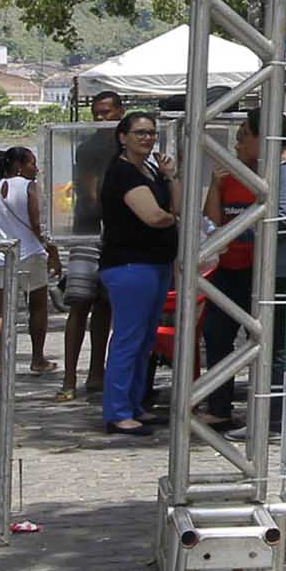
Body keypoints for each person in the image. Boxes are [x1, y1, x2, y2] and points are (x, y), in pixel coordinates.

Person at [96, 110, 179, 435]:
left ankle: (134, 404)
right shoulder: (122, 173)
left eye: (151, 132)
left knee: (145, 339)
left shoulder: (152, 171)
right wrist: (174, 219)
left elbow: (178, 205)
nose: (147, 137)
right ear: (123, 137)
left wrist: (170, 176)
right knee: (129, 339)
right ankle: (117, 412)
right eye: (140, 132)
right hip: (130, 265)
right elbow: (154, 216)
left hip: (155, 263)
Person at [199, 112, 268, 429]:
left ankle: (264, 409)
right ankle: (220, 406)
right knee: (216, 336)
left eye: (243, 139)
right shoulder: (228, 177)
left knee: (263, 341)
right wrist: (214, 186)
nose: (238, 147)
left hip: (260, 272)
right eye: (236, 140)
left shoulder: (273, 176)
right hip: (228, 269)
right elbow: (211, 225)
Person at [61, 91, 124, 404]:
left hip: (116, 234)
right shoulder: (87, 148)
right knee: (79, 302)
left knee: (105, 306)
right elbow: (90, 192)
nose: (101, 119)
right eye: (97, 113)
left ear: (119, 112)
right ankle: (70, 376)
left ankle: (96, 372)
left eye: (107, 112)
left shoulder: (125, 145)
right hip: (87, 231)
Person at [0, 146, 58, 375]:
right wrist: (52, 251)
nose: (36, 168)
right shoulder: (29, 186)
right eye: (32, 163)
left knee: (2, 311)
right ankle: (37, 359)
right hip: (30, 252)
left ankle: (1, 364)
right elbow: (37, 223)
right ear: (19, 165)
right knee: (37, 307)